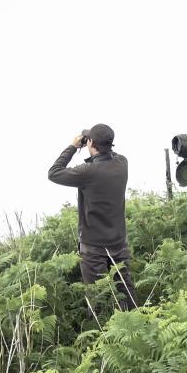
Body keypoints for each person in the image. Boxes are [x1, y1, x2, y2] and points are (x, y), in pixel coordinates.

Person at [48, 123, 137, 311]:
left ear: (91, 143)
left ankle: (100, 333)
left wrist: (73, 147)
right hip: (119, 243)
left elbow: (54, 173)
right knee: (126, 292)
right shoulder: (122, 163)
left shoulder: (87, 172)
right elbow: (109, 155)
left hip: (93, 247)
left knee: (97, 298)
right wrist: (96, 145)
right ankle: (136, 328)